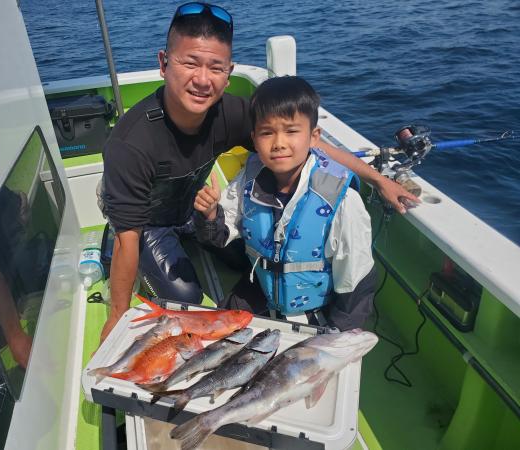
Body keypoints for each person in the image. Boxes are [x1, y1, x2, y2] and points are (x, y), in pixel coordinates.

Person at [99, 2, 417, 342]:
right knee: (186, 299)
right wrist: (116, 317)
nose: (202, 80)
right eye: (189, 63)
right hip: (146, 221)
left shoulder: (231, 113)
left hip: (194, 207)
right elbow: (128, 238)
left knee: (250, 256)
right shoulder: (131, 143)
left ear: (229, 72)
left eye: (215, 67)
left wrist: (378, 180)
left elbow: (309, 144)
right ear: (164, 63)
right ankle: (115, 240)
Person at [193, 76, 376, 330]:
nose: (278, 144)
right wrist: (211, 214)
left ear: (314, 136)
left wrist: (336, 334)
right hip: (258, 290)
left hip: (316, 309)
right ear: (254, 138)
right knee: (207, 335)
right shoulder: (248, 179)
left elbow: (355, 281)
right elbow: (219, 236)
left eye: (291, 131)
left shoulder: (340, 200)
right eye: (267, 133)